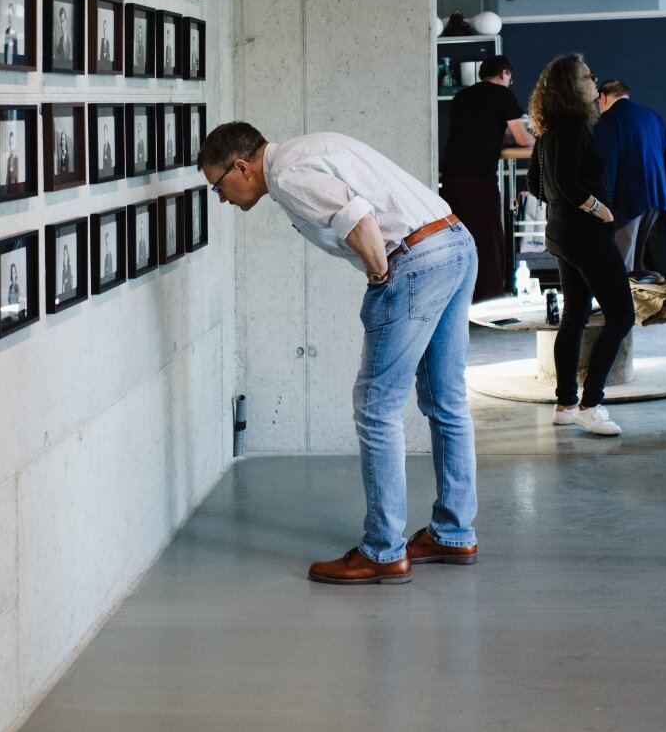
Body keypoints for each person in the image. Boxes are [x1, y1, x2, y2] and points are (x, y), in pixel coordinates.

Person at [200, 121, 477, 584]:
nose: (223, 199)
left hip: (416, 259)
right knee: (446, 400)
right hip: (454, 242)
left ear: (242, 167)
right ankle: (453, 532)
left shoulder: (287, 176)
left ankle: (383, 551)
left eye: (219, 187)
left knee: (376, 408)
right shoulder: (309, 148)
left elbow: (361, 221)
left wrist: (378, 277)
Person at [527, 56, 633, 436]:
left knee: (575, 315)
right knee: (621, 316)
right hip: (586, 235)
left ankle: (566, 402)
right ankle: (591, 404)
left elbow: (535, 185)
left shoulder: (549, 128)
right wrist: (598, 209)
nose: (594, 80)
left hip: (562, 234)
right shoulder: (571, 126)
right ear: (573, 86)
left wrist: (564, 205)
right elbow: (565, 181)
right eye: (588, 75)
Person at [439, 54, 533, 301]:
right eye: (509, 77)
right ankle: (490, 296)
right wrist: (539, 140)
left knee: (457, 237)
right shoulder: (503, 95)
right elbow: (522, 138)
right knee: (488, 237)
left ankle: (460, 296)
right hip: (478, 176)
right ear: (504, 73)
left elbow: (476, 132)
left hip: (450, 175)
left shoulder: (462, 97)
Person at [594, 80, 666, 277]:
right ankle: (641, 306)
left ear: (603, 97)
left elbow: (607, 167)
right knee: (643, 266)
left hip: (626, 202)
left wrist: (603, 205)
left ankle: (621, 307)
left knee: (621, 264)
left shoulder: (608, 120)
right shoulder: (653, 117)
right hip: (657, 201)